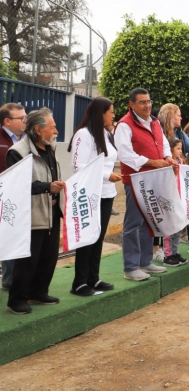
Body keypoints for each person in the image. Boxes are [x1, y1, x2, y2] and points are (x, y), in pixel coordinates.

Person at [6, 108, 64, 314]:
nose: (56, 130)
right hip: (31, 214)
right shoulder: (18, 152)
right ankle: (16, 300)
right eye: (52, 127)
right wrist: (47, 187)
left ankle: (38, 292)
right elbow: (17, 186)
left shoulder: (50, 147)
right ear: (38, 130)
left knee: (49, 256)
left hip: (52, 211)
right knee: (28, 260)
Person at [114, 88, 174, 281]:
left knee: (150, 221)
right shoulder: (124, 125)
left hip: (154, 179)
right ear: (132, 105)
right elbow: (125, 155)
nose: (147, 105)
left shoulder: (154, 122)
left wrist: (167, 157)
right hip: (136, 181)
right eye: (142, 102)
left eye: (149, 101)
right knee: (133, 223)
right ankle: (130, 267)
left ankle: (145, 261)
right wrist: (152, 162)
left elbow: (163, 143)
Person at [67, 97, 122, 296]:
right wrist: (107, 175)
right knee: (88, 238)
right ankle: (79, 283)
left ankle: (93, 278)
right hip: (90, 194)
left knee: (98, 237)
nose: (114, 114)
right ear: (101, 113)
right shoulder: (84, 134)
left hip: (107, 193)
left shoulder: (107, 133)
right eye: (111, 111)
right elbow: (77, 165)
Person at [0, 102, 26, 291]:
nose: (26, 120)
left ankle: (10, 281)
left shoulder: (26, 139)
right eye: (21, 118)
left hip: (21, 197)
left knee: (15, 237)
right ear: (7, 121)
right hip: (3, 196)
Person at [153, 139, 189, 266]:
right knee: (169, 228)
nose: (180, 151)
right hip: (169, 199)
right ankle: (167, 255)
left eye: (181, 149)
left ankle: (175, 252)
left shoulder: (180, 162)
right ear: (170, 150)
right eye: (178, 148)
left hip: (178, 199)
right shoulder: (167, 164)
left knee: (178, 227)